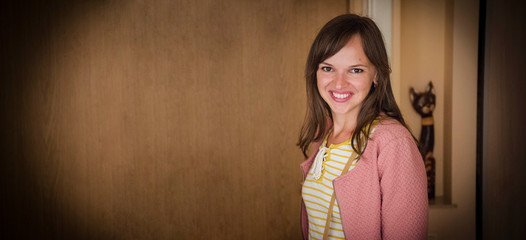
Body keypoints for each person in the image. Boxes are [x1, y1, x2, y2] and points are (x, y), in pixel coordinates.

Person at [298, 14, 428, 240]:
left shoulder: (393, 143)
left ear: (376, 74)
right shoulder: (324, 135)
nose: (339, 83)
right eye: (328, 68)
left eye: (355, 70)